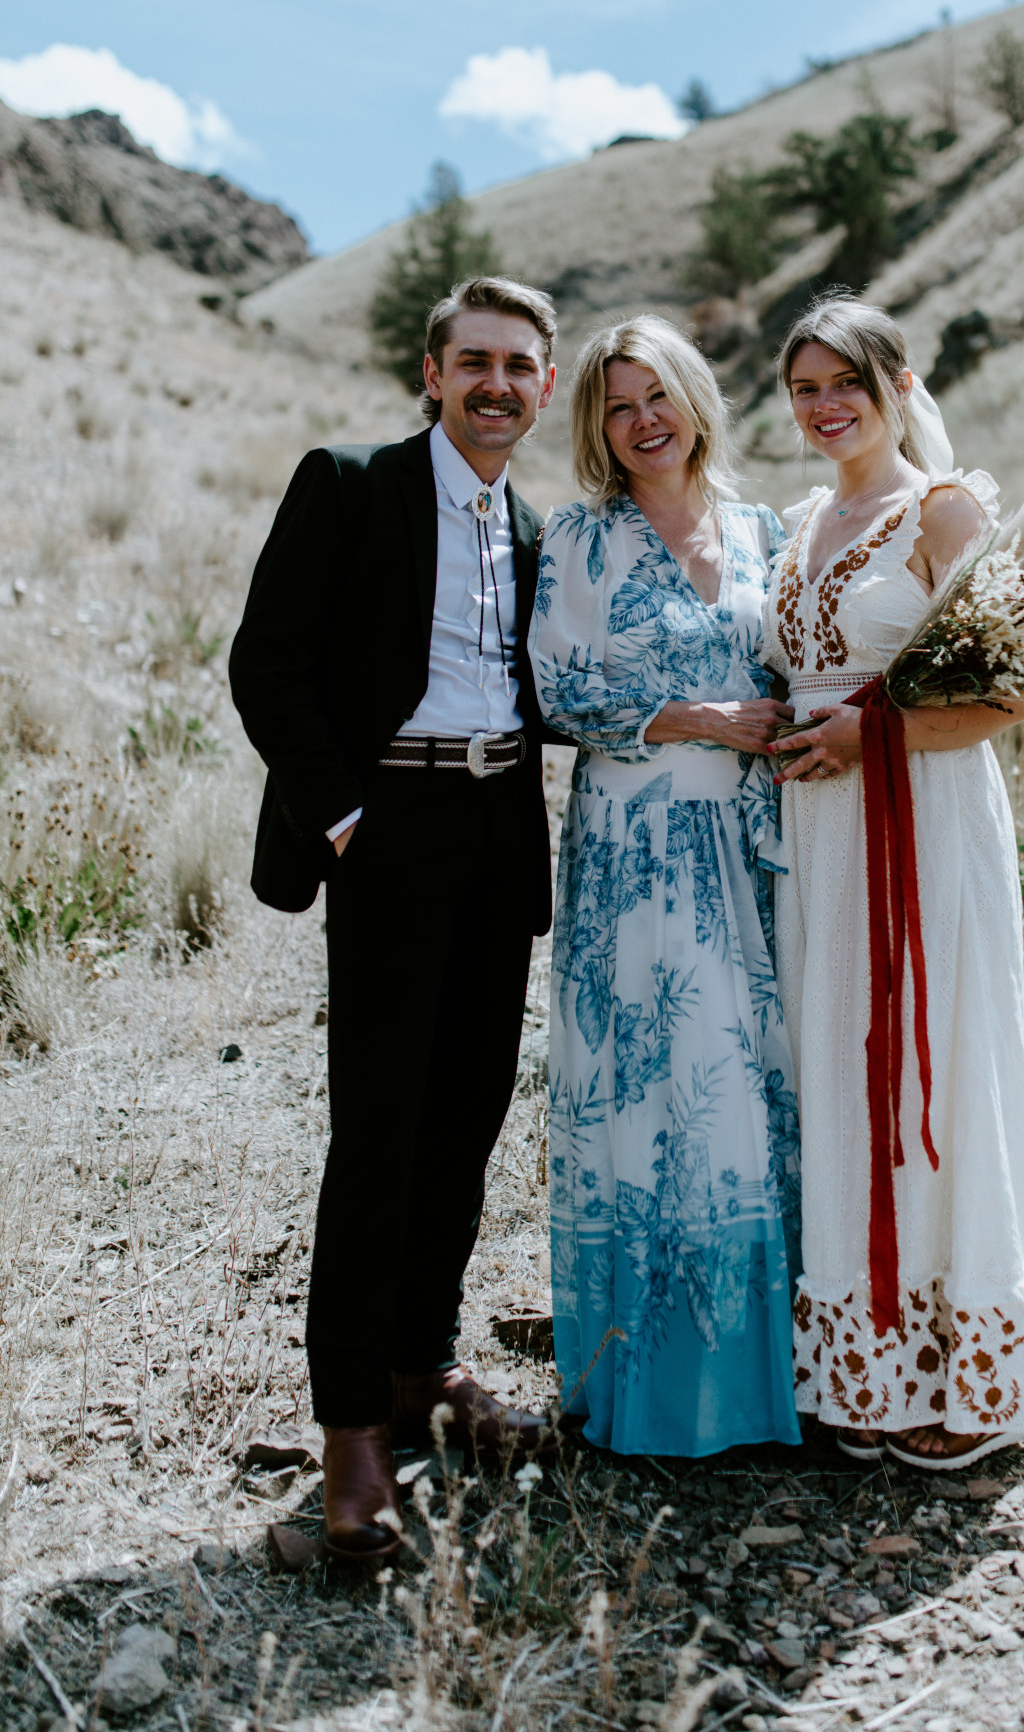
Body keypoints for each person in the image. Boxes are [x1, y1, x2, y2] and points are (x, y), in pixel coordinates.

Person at [230, 274, 563, 1558]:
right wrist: (346, 819)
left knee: (467, 1116)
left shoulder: (532, 529)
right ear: (432, 373)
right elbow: (269, 661)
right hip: (388, 830)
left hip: (495, 836)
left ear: (542, 384)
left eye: (519, 366)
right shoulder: (352, 482)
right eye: (473, 361)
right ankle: (354, 1432)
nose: (495, 384)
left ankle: (429, 1367)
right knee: (378, 1134)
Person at [763, 296, 1024, 1468]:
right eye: (802, 387)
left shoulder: (942, 510)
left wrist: (866, 739)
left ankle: (966, 1373)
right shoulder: (799, 525)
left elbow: (1014, 695)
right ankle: (866, 1364)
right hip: (820, 839)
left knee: (932, 1064)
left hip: (922, 820)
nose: (824, 404)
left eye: (845, 379)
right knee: (840, 1068)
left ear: (896, 381)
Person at [529, 315, 802, 1456]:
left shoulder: (763, 530)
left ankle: (757, 1379)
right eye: (616, 406)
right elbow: (551, 694)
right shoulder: (579, 541)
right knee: (647, 1101)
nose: (641, 422)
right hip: (635, 854)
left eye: (657, 397)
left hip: (746, 850)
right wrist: (695, 718)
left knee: (749, 1093)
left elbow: (796, 671)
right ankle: (646, 1389)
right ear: (597, 426)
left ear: (694, 399)